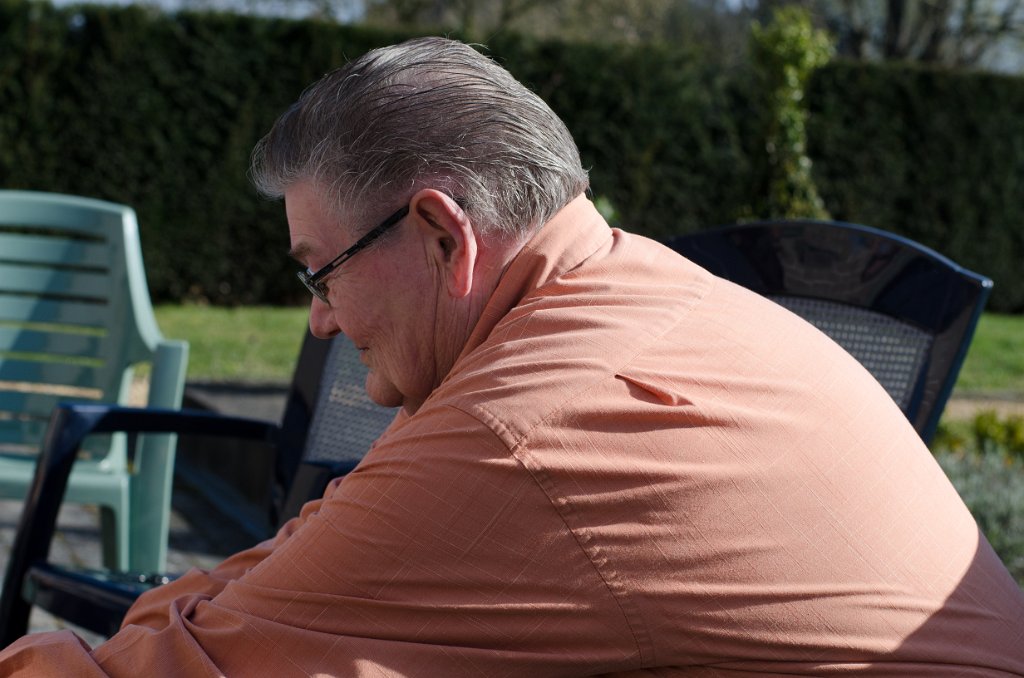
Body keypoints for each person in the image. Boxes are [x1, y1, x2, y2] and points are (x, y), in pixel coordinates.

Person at [2, 35, 1022, 677]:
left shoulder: (530, 425)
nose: (318, 321)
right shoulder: (638, 293)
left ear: (442, 236)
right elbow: (299, 565)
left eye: (320, 273)